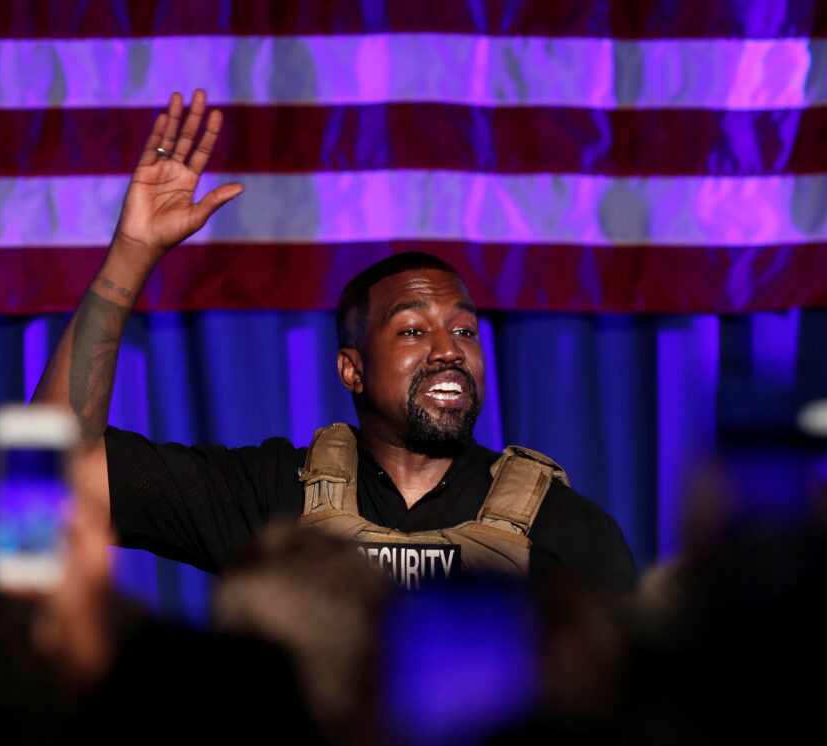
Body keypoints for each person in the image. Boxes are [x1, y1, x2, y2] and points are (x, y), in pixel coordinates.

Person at [33, 88, 637, 592]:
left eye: (464, 330)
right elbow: (55, 467)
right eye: (412, 329)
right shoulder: (271, 498)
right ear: (351, 369)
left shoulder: (565, 528)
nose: (449, 349)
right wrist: (132, 256)